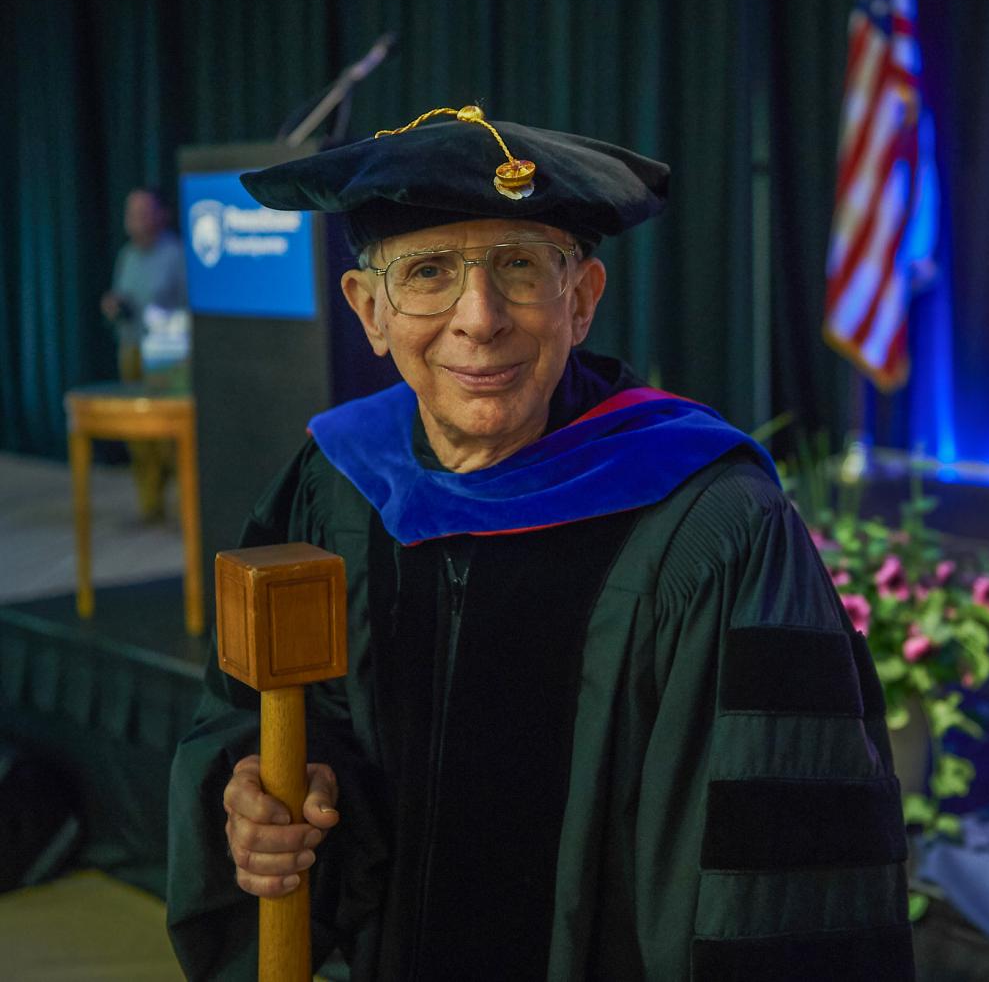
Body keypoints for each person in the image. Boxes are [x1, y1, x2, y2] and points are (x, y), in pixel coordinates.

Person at [166, 106, 914, 980]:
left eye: (520, 266)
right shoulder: (333, 485)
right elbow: (260, 717)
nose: (479, 318)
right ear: (370, 310)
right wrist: (278, 793)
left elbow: (772, 884)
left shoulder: (711, 526)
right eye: (430, 271)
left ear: (582, 298)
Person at [100, 187, 188, 518]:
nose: (136, 219)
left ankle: (185, 508)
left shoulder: (175, 254)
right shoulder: (127, 256)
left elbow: (187, 306)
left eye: (143, 211)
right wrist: (113, 306)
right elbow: (122, 299)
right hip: (131, 349)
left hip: (167, 356)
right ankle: (150, 505)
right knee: (137, 435)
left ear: (161, 215)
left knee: (168, 435)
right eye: (131, 212)